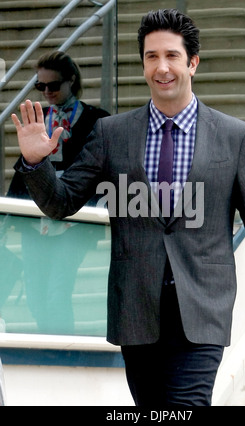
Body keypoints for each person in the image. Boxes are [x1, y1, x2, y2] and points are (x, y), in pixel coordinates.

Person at [11, 9, 245, 406]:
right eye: (151, 57)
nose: (162, 67)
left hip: (203, 307)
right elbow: (61, 202)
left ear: (192, 62)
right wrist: (36, 164)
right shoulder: (111, 133)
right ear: (142, 64)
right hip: (136, 308)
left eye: (172, 56)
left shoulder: (234, 136)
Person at [7, 51, 109, 334]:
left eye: (54, 85)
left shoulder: (96, 120)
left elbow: (103, 170)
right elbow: (24, 169)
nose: (48, 92)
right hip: (36, 218)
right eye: (41, 87)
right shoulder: (39, 120)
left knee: (57, 292)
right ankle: (51, 345)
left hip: (75, 218)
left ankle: (62, 352)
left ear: (71, 80)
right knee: (36, 296)